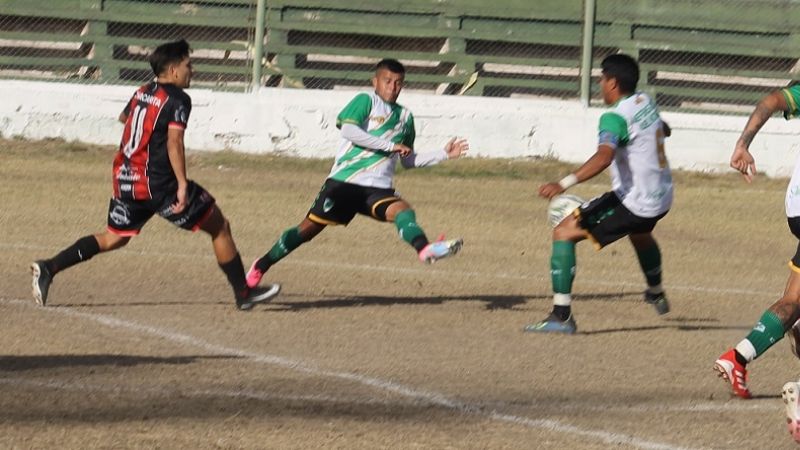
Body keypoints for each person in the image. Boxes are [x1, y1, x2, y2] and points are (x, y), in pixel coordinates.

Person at [29, 39, 279, 311]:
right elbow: (174, 142)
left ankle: (49, 267)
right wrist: (182, 184)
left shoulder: (143, 91)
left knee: (115, 237)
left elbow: (125, 119)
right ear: (173, 70)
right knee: (219, 226)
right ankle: (243, 293)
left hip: (127, 180)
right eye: (187, 65)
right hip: (159, 184)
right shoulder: (178, 99)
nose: (191, 70)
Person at [245, 58, 467, 290]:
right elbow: (350, 131)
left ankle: (424, 249)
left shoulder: (405, 118)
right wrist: (390, 146)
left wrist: (443, 154)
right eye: (387, 81)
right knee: (307, 231)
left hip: (378, 188)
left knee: (403, 210)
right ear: (375, 82)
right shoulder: (366, 101)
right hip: (345, 183)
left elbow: (408, 160)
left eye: (398, 83)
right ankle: (262, 264)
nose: (392, 87)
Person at [524, 53, 673, 334]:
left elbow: (604, 156)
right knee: (640, 233)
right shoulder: (644, 100)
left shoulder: (614, 117)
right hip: (662, 197)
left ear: (613, 83)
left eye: (602, 79)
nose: (600, 85)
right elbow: (664, 128)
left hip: (636, 202)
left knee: (563, 233)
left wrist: (563, 183)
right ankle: (655, 291)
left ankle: (561, 317)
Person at [714, 81, 800, 401]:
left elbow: (771, 101)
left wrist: (742, 144)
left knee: (794, 299)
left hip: (796, 208)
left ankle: (737, 358)